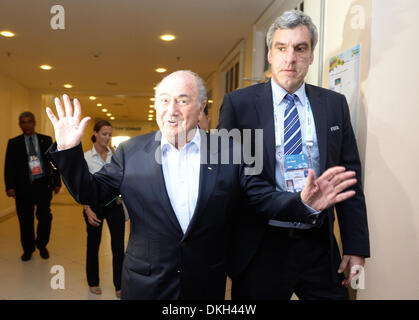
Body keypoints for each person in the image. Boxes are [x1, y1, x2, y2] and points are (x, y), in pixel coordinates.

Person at [45, 70, 357, 300]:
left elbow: (261, 198)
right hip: (146, 285)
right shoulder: (130, 152)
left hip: (205, 283)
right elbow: (92, 193)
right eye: (164, 100)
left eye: (183, 100)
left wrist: (301, 203)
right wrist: (68, 151)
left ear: (201, 107)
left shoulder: (230, 150)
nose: (172, 109)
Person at [217, 10, 370, 300]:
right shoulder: (239, 106)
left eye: (300, 48)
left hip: (318, 246)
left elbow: (349, 179)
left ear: (311, 55)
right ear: (270, 55)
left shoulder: (334, 105)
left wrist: (355, 246)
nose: (291, 58)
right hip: (261, 246)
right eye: (281, 47)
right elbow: (230, 181)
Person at [4, 111, 61, 261]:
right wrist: (9, 186)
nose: (27, 124)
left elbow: (54, 163)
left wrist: (57, 182)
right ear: (20, 125)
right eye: (23, 122)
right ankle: (28, 249)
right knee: (25, 220)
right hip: (23, 187)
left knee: (45, 218)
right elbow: (8, 166)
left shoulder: (46, 140)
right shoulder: (14, 143)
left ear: (34, 123)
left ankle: (42, 245)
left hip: (42, 185)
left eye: (29, 121)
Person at [83, 120, 125, 298]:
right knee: (93, 245)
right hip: (94, 207)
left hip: (114, 205)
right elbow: (81, 186)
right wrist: (87, 208)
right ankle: (93, 282)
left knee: (118, 246)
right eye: (104, 134)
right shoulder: (86, 157)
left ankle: (120, 284)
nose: (107, 138)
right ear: (95, 133)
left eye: (110, 134)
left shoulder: (115, 156)